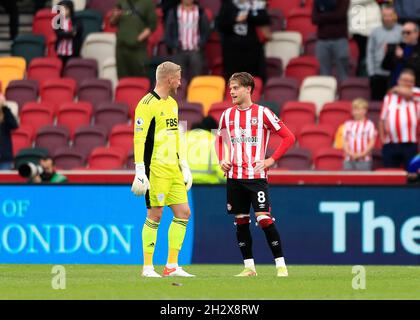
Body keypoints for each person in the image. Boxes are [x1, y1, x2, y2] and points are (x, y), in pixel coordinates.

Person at [215, 72, 295, 277]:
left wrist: (271, 160)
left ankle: (281, 266)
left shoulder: (264, 113)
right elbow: (219, 139)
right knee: (241, 221)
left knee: (264, 219)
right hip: (234, 177)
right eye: (230, 88)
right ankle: (249, 267)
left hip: (256, 177)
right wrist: (221, 159)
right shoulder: (226, 115)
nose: (231, 91)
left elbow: (288, 137)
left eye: (235, 88)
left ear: (248, 89)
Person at [131, 61, 195, 278]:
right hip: (155, 167)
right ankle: (148, 267)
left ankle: (171, 266)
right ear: (169, 79)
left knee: (183, 212)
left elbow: (176, 135)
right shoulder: (146, 104)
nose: (180, 81)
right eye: (178, 77)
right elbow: (139, 137)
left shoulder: (173, 104)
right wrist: (140, 170)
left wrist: (184, 164)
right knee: (155, 214)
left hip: (172, 168)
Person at [216, 0, 270, 83]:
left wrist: (248, 16)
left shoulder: (255, 4)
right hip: (233, 51)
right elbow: (220, 25)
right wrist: (235, 20)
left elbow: (264, 19)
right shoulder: (228, 5)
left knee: (252, 79)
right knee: (234, 80)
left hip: (252, 50)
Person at [379, 69, 420, 169]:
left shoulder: (417, 93)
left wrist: (396, 89)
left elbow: (409, 94)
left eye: (410, 81)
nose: (407, 83)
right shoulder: (388, 98)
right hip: (390, 143)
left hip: (411, 143)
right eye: (404, 80)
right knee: (390, 176)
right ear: (398, 81)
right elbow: (382, 119)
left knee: (413, 174)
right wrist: (382, 138)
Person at [164, 0, 211, 82]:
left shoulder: (200, 12)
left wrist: (200, 44)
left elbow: (206, 31)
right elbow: (168, 31)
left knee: (197, 79)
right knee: (177, 80)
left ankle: (195, 95)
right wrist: (173, 45)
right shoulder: (174, 12)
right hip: (179, 51)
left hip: (195, 51)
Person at [110, 0, 157, 78]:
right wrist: (115, 16)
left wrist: (138, 39)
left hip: (138, 50)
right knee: (122, 80)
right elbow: (112, 22)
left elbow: (152, 26)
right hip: (121, 49)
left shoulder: (147, 3)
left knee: (140, 80)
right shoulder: (121, 2)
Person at [366, 4, 402, 101]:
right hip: (378, 74)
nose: (387, 18)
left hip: (396, 74)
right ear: (381, 17)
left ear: (394, 16)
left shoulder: (401, 31)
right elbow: (370, 53)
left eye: (390, 15)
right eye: (385, 16)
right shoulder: (375, 32)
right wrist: (371, 73)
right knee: (377, 103)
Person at [312, 0, 350, 81]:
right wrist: (331, 15)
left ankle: (343, 93)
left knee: (343, 75)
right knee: (324, 75)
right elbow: (314, 18)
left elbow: (340, 15)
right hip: (322, 40)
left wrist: (322, 14)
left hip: (340, 40)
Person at [186, 116, 226, 184]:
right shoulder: (215, 141)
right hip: (209, 188)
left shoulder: (182, 138)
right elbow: (223, 171)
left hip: (184, 187)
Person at [348, 0, 381, 76]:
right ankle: (362, 77)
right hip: (358, 19)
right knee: (364, 53)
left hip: (373, 24)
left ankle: (371, 75)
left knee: (372, 53)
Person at [342, 98, 377, 171]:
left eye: (357, 110)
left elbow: (371, 142)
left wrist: (361, 154)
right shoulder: (348, 124)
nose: (355, 112)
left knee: (363, 181)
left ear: (364, 111)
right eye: (354, 110)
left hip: (364, 160)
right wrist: (350, 153)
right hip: (348, 160)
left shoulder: (369, 124)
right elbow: (344, 141)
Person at [382, 21, 420, 87]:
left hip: (411, 89)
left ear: (417, 34)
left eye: (408, 32)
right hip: (393, 86)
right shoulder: (399, 46)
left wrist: (403, 56)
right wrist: (387, 55)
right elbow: (385, 67)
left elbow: (417, 67)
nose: (405, 35)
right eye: (403, 32)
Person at [54, 0, 84, 67]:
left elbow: (77, 32)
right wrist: (69, 34)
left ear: (71, 9)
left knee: (72, 67)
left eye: (66, 9)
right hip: (61, 50)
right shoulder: (57, 22)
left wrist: (67, 34)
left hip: (73, 50)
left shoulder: (77, 21)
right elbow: (59, 33)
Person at [0, 93, 18, 170]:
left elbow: (14, 125)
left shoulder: (6, 117)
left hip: (5, 158)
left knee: (4, 180)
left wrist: (5, 108)